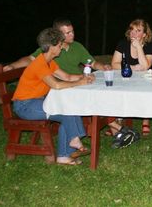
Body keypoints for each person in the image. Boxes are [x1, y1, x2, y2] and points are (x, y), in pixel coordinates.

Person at [4, 18, 121, 135]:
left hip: (66, 86)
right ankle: (108, 128)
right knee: (73, 107)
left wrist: (97, 70)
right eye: (68, 33)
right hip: (54, 91)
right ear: (57, 35)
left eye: (72, 31)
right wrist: (12, 66)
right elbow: (31, 60)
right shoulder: (48, 51)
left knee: (94, 95)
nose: (72, 35)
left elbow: (86, 66)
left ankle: (106, 127)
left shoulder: (75, 47)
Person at [12, 28, 95, 166]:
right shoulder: (39, 64)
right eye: (59, 45)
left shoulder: (49, 61)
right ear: (51, 47)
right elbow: (56, 85)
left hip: (37, 101)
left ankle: (65, 154)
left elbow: (67, 77)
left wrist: (85, 77)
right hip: (25, 106)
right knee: (64, 111)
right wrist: (80, 82)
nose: (61, 48)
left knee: (69, 108)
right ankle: (73, 142)